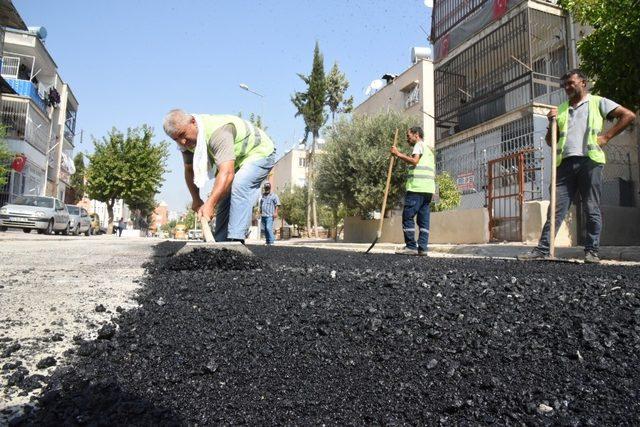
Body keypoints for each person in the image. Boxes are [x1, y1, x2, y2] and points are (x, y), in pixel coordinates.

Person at [518, 69, 636, 264]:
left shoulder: (598, 102)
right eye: (564, 85)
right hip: (564, 165)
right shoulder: (561, 109)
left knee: (591, 207)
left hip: (590, 162)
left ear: (583, 82)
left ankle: (591, 251)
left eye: (571, 83)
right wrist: (551, 122)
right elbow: (550, 141)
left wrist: (606, 137)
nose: (567, 87)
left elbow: (628, 115)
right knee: (555, 209)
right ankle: (543, 249)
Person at [163, 110, 275, 242]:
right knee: (223, 196)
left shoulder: (218, 132)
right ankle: (220, 242)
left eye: (183, 134)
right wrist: (196, 199)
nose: (182, 142)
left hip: (259, 152)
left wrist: (210, 204)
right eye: (176, 139)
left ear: (193, 122)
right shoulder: (186, 143)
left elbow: (227, 173)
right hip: (239, 161)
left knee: (239, 184)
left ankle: (236, 241)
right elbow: (189, 169)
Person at [390, 126, 436, 256]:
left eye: (408, 136)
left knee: (408, 216)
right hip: (428, 190)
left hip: (416, 188)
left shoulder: (418, 145)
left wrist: (398, 154)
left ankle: (410, 246)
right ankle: (423, 248)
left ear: (416, 135)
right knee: (423, 219)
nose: (407, 139)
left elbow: (415, 161)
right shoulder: (428, 151)